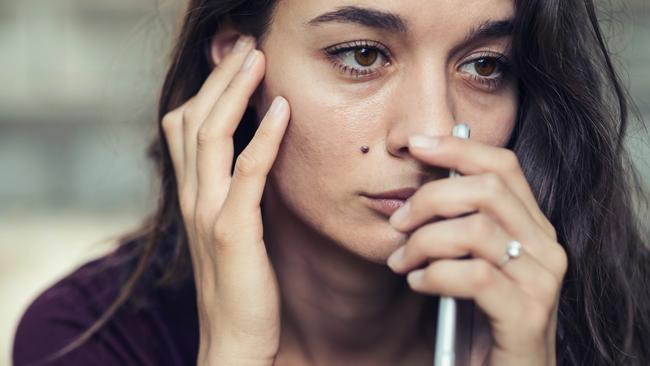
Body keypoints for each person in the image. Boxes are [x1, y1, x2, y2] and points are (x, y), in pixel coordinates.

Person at [12, 0, 650, 365]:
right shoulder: (89, 336)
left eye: (485, 66)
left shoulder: (620, 322)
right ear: (239, 60)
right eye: (363, 55)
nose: (432, 128)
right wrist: (234, 352)